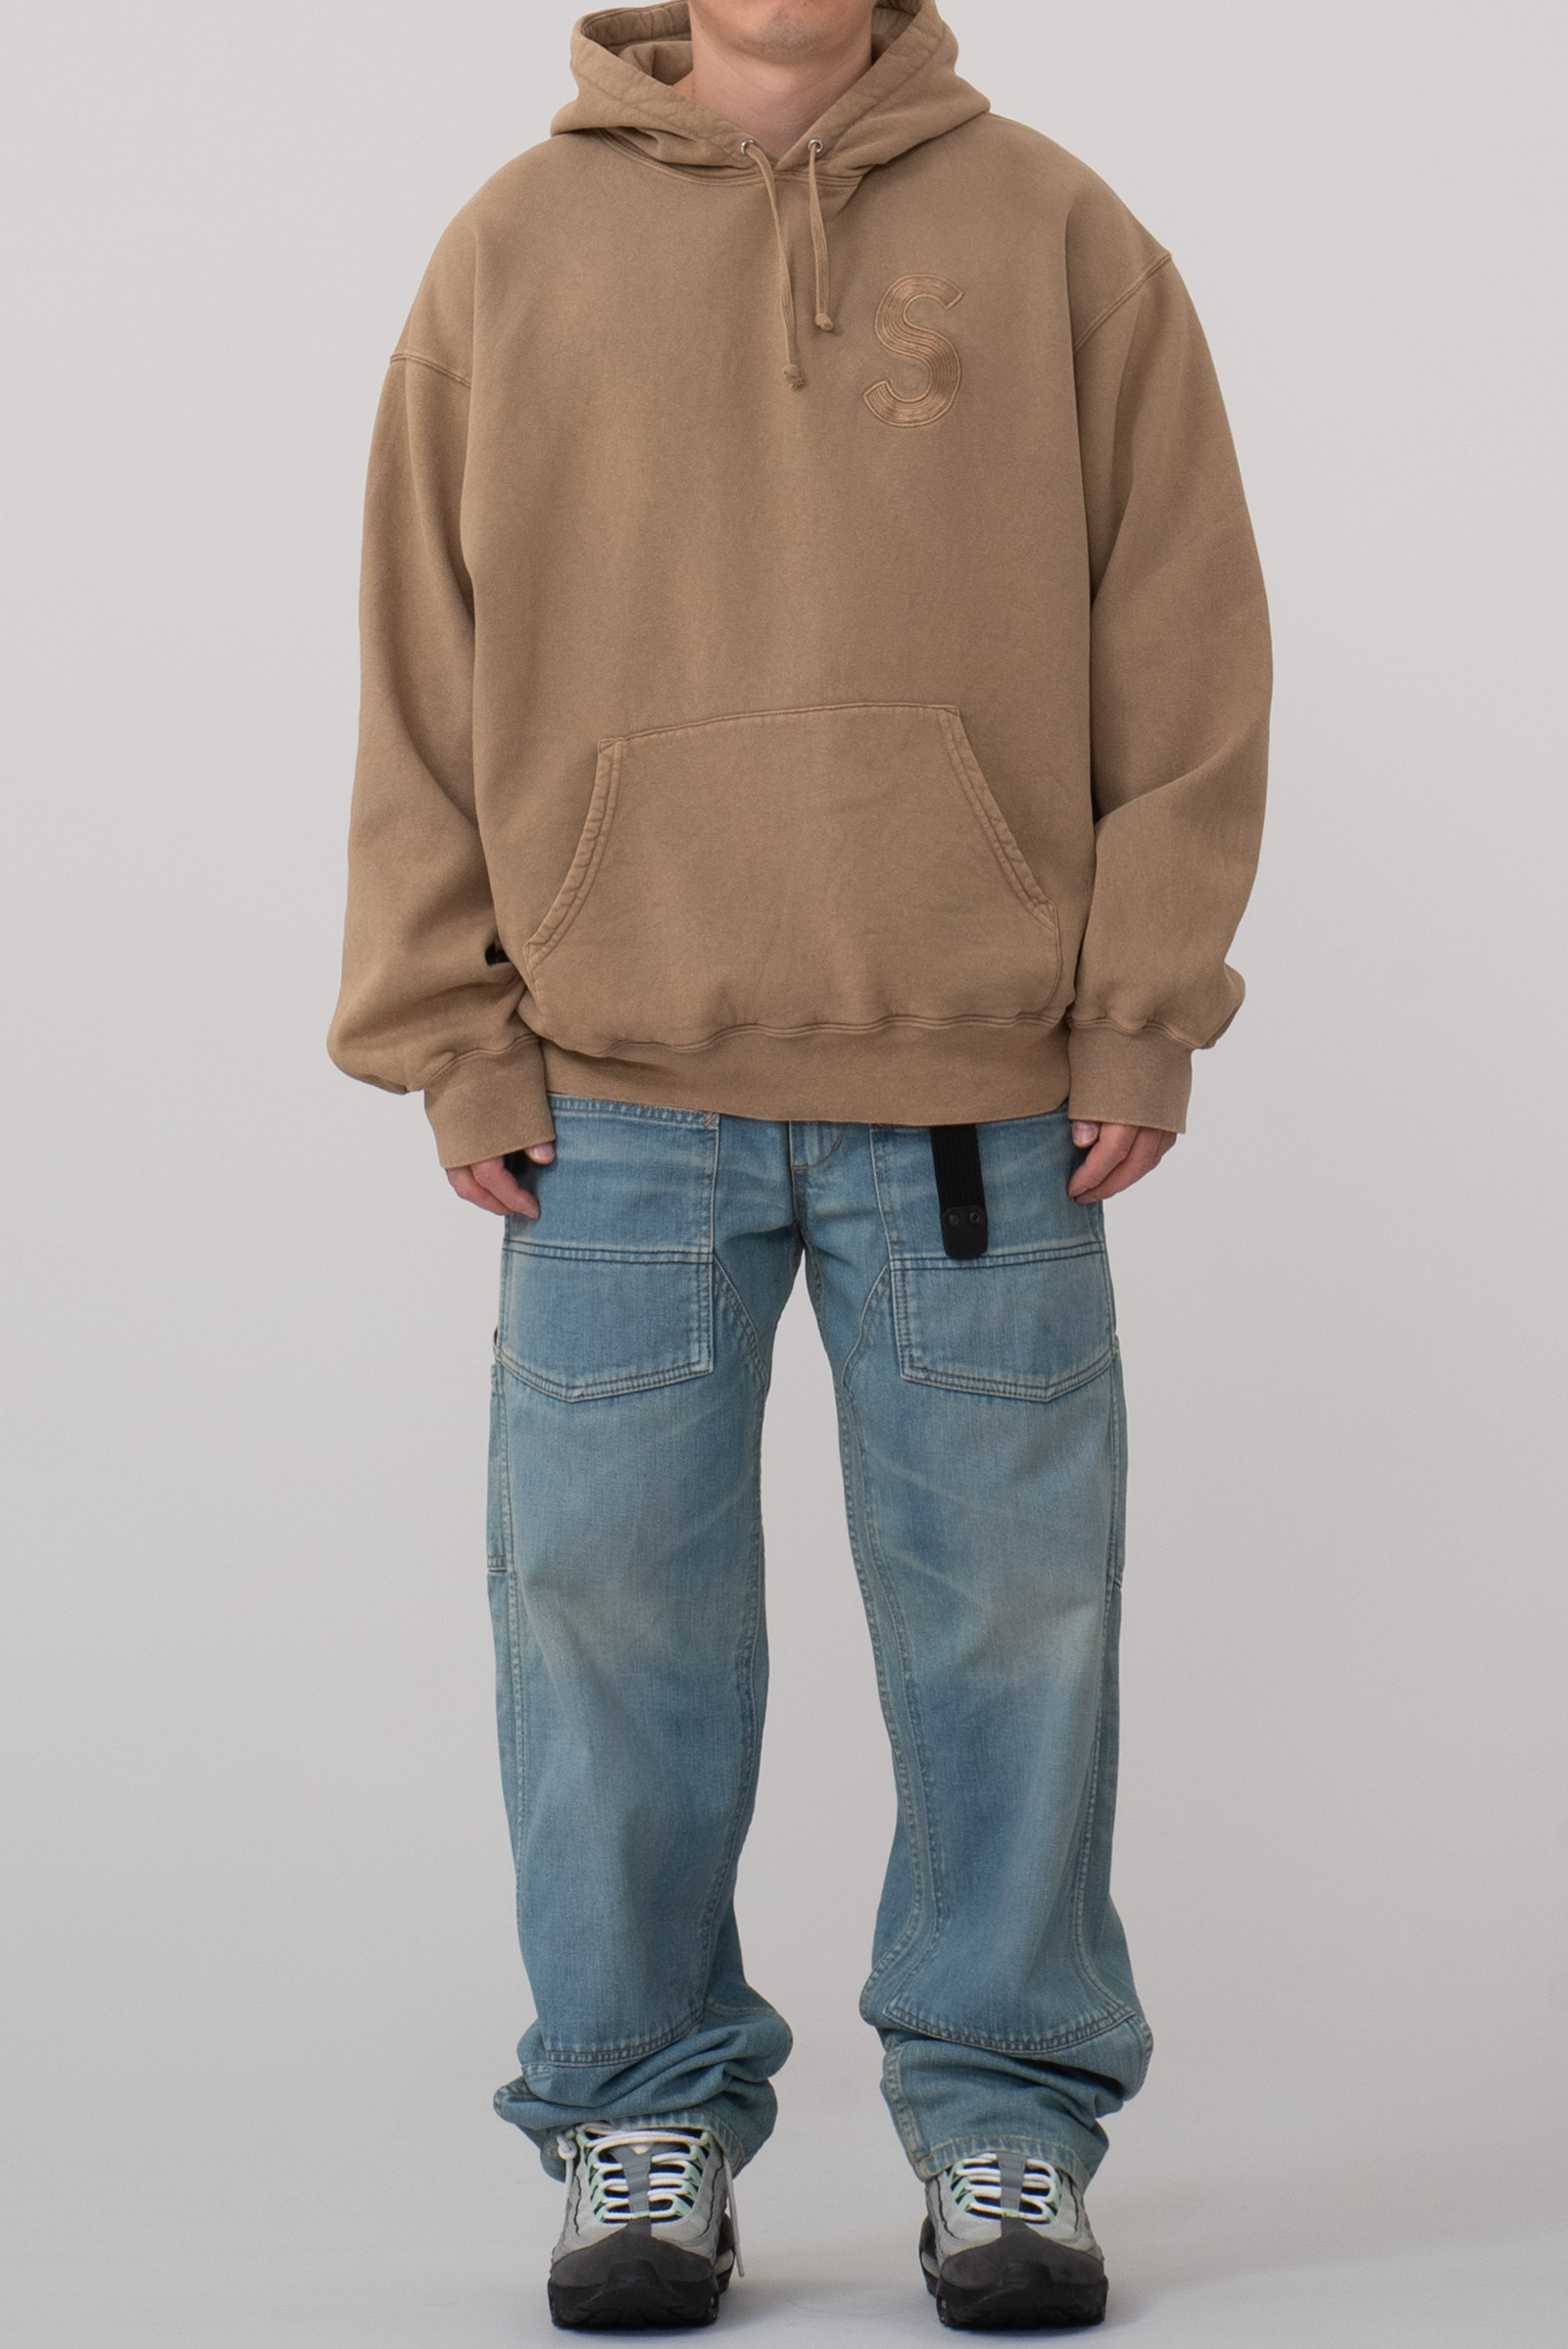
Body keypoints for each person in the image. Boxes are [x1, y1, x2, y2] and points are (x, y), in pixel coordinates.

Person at [327, 0, 1270, 2328]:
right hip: (608, 1098)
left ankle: (1006, 2117)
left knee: (1012, 1624)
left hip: (979, 1096)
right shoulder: (509, 250)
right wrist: (447, 1027)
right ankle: (633, 2109)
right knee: (601, 1621)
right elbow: (419, 662)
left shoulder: (1055, 231)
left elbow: (1180, 630)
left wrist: (1137, 997)